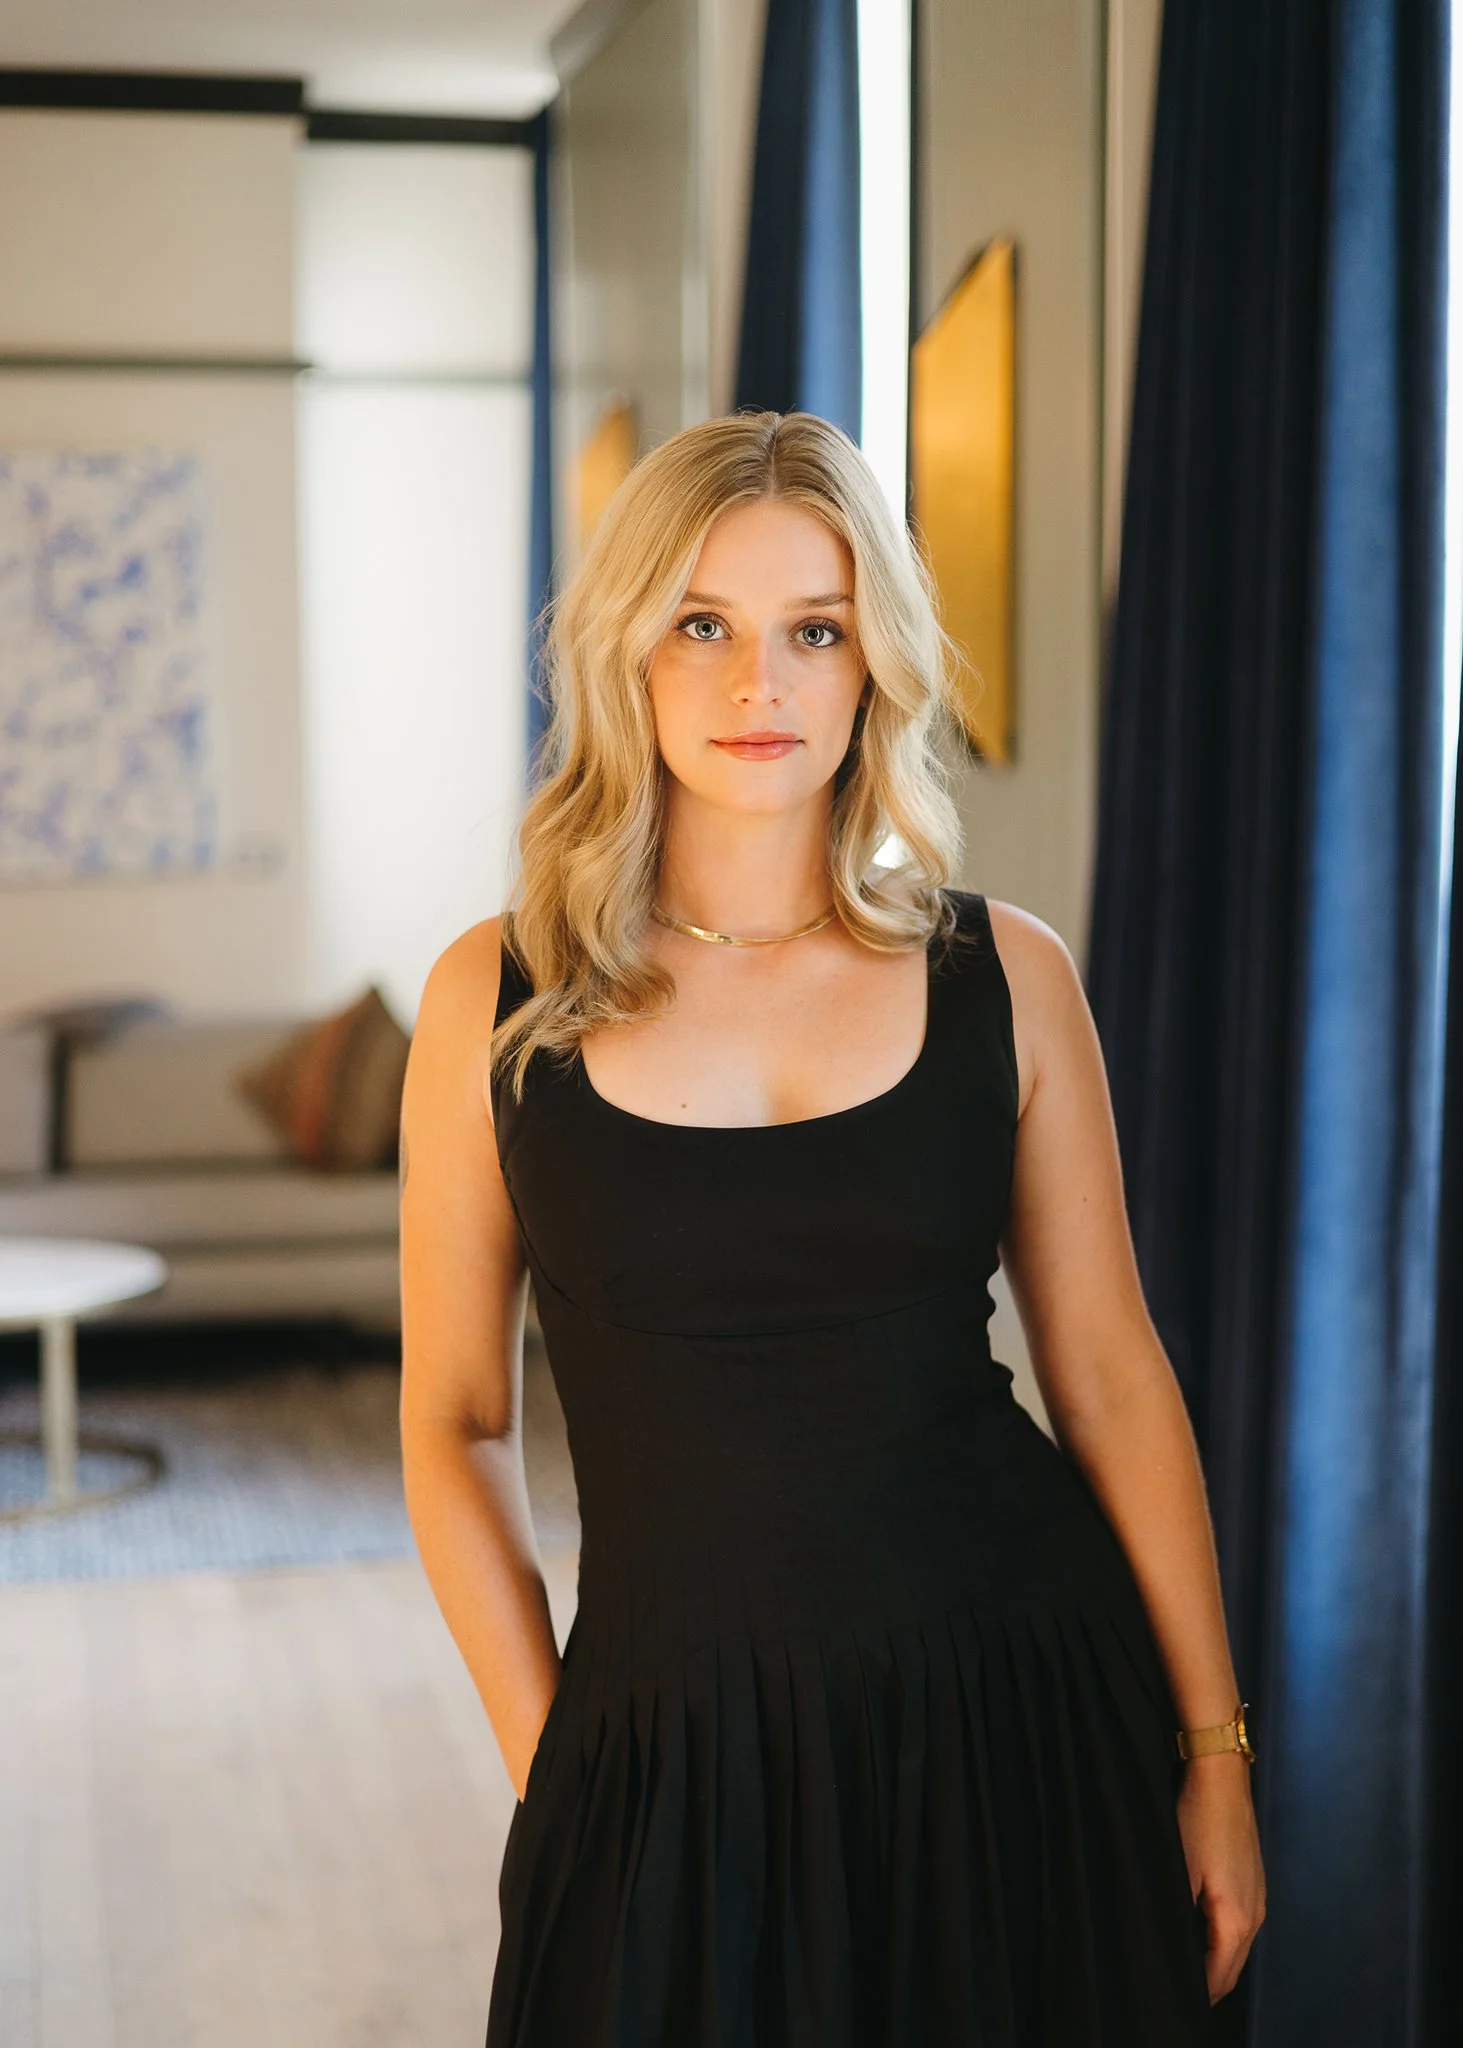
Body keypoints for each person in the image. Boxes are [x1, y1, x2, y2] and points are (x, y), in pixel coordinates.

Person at [397, 409, 1265, 2046]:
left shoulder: (1002, 973)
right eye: (703, 627)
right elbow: (451, 1423)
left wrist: (1214, 1761)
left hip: (1018, 1710)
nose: (759, 685)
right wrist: (554, 1760)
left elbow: (1113, 1382)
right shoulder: (495, 1002)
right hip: (671, 1751)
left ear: (874, 659)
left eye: (815, 629)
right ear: (625, 652)